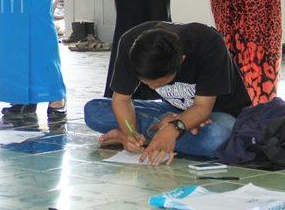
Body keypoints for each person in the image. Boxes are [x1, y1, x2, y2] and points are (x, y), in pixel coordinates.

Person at [84, 21, 250, 163]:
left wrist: (174, 127)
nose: (153, 88)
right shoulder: (132, 44)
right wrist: (130, 134)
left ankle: (156, 135)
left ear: (181, 60)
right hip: (171, 112)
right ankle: (153, 134)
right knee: (93, 110)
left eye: (159, 82)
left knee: (218, 138)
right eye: (146, 83)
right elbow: (121, 100)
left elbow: (202, 109)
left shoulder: (207, 43)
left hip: (216, 114)